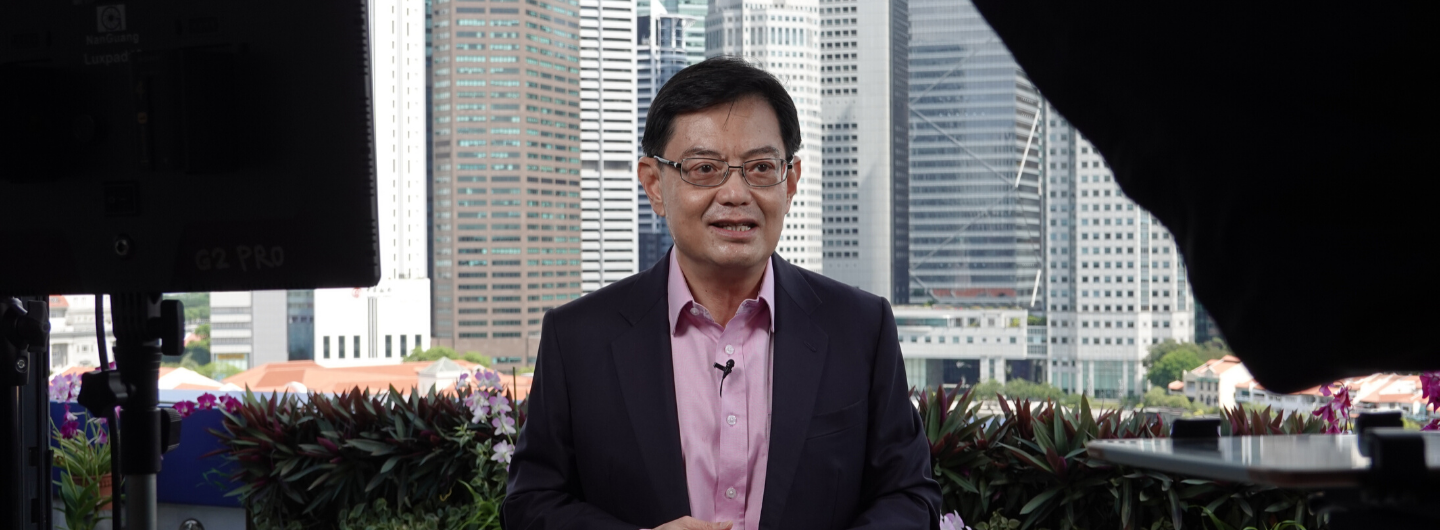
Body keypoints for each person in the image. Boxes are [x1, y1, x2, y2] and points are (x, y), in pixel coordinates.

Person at [503, 56, 940, 530]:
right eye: (705, 168)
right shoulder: (578, 339)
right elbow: (530, 505)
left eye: (759, 167)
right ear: (653, 183)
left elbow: (909, 494)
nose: (736, 193)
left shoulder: (860, 327)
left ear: (790, 182)